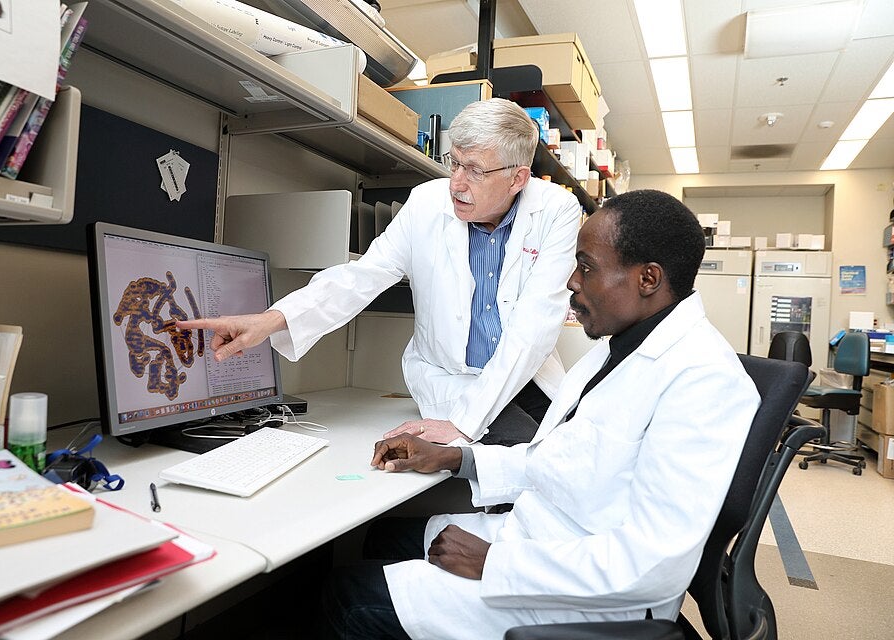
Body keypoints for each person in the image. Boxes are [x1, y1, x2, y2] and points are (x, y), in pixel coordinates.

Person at [320, 189, 762, 640]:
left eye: (586, 267)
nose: (572, 281)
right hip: (545, 536)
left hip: (584, 598)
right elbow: (559, 460)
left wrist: (494, 562)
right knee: (378, 538)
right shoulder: (622, 346)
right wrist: (453, 457)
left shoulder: (704, 381)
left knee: (346, 595)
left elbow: (654, 566)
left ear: (647, 278)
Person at [177, 98, 581, 446]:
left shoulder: (556, 211)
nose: (456, 183)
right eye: (454, 163)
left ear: (517, 178)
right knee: (518, 458)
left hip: (523, 374)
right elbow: (362, 276)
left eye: (475, 170)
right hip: (450, 379)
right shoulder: (425, 204)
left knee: (567, 452)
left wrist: (463, 424)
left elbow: (534, 327)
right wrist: (272, 320)